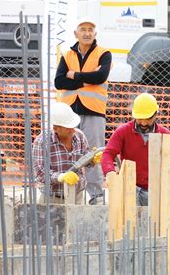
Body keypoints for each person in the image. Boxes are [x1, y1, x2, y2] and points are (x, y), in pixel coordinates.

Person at [54, 17, 112, 205]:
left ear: (95, 34)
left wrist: (75, 76)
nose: (87, 33)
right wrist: (87, 79)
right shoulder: (67, 55)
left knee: (94, 153)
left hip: (94, 111)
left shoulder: (104, 54)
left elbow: (101, 76)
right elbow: (59, 81)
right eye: (83, 29)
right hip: (69, 112)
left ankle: (96, 195)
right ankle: (67, 192)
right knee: (66, 151)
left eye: (91, 29)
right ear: (76, 33)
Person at [100, 93, 170, 206]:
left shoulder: (164, 135)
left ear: (155, 115)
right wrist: (110, 173)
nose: (143, 123)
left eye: (147, 119)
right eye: (139, 119)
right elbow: (108, 154)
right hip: (130, 187)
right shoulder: (123, 132)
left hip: (157, 189)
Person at [32, 102, 102, 204]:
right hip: (52, 198)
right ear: (56, 128)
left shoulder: (79, 136)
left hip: (77, 196)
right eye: (68, 128)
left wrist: (92, 159)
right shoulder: (42, 141)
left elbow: (85, 160)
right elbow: (40, 173)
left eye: (73, 126)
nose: (73, 130)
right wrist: (61, 177)